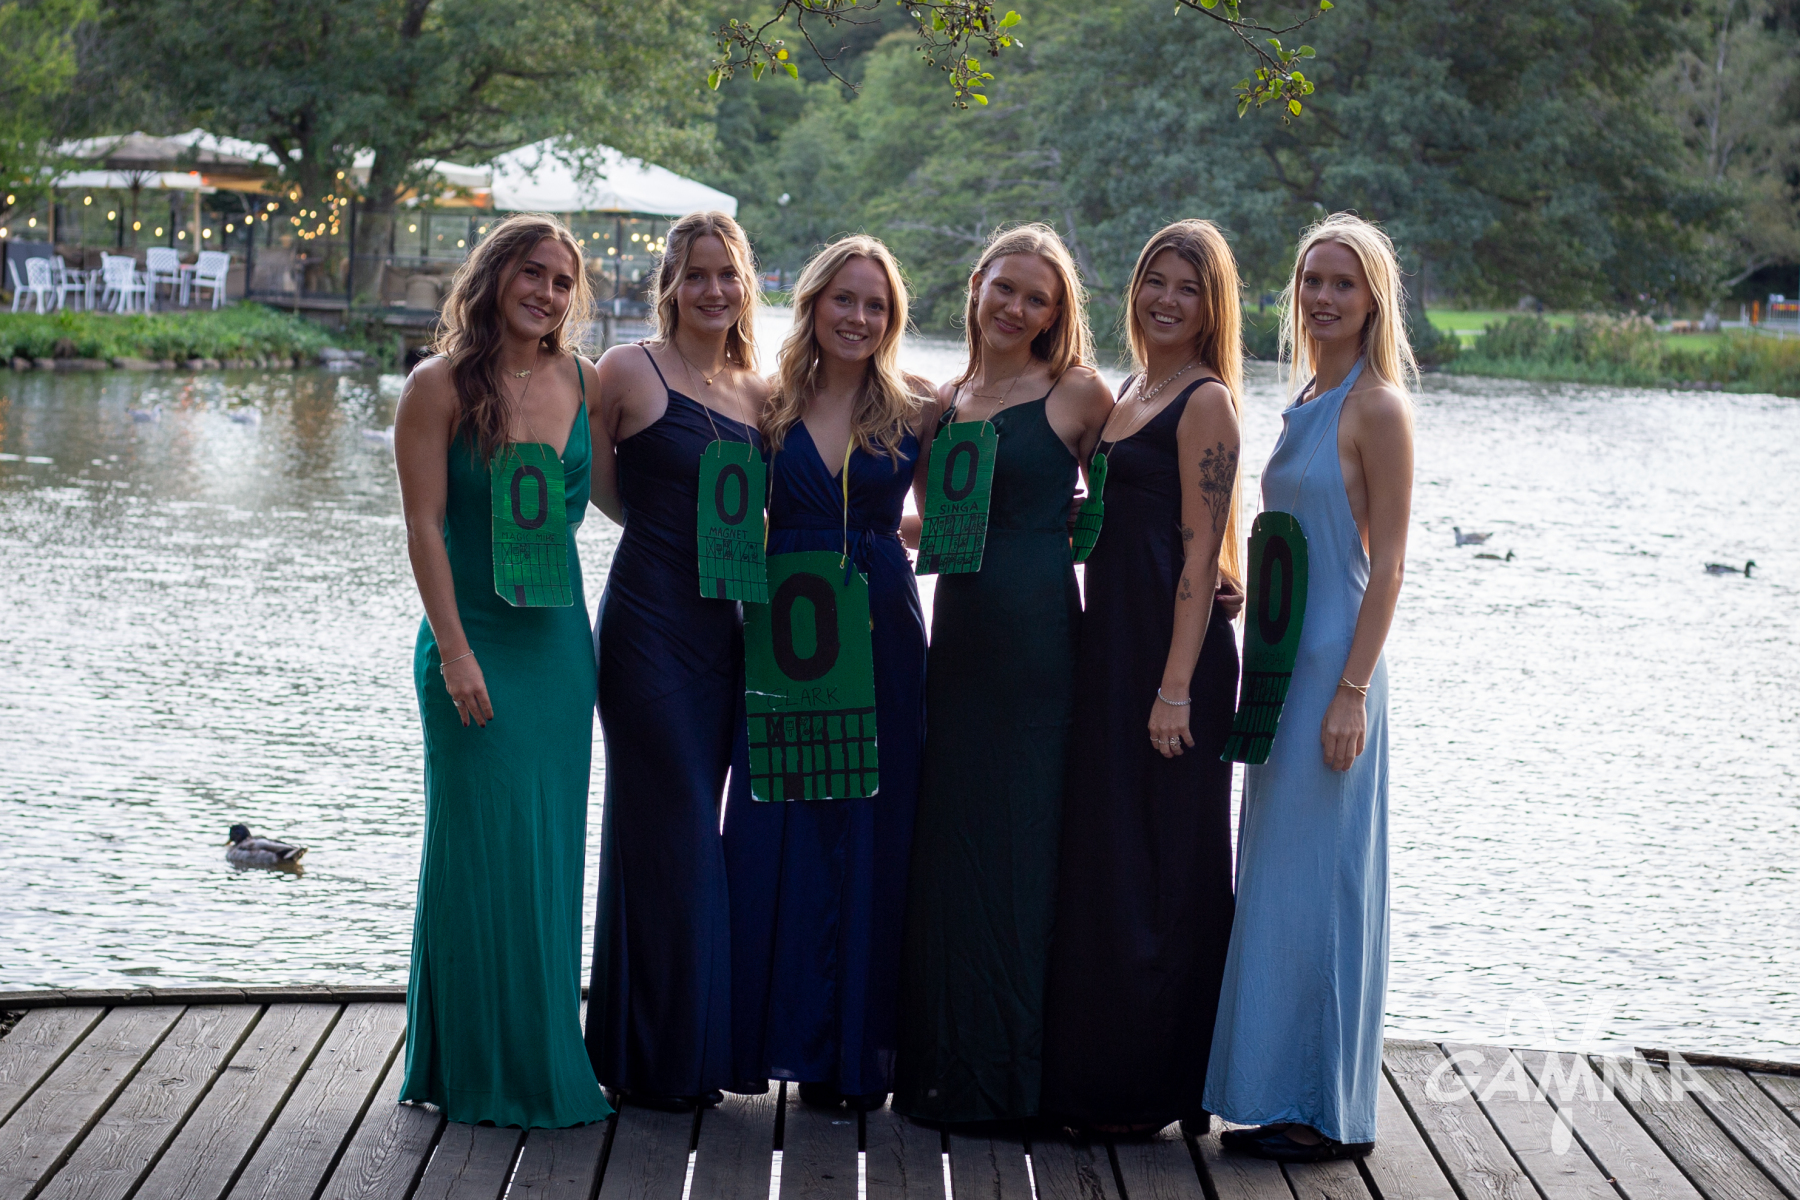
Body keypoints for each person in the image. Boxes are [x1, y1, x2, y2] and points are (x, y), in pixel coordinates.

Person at [1204, 212, 1416, 1161]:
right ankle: (1276, 1091)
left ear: (1373, 299)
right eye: (1312, 281)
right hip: (1281, 664)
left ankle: (1331, 1112)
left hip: (1336, 666)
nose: (1323, 297)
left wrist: (1353, 692)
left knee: (1328, 881)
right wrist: (1238, 590)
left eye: (1342, 283)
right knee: (1281, 880)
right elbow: (1298, 543)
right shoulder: (1306, 397)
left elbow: (1390, 565)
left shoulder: (1377, 407)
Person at [394, 212, 611, 1128]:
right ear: (493, 277)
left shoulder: (586, 382)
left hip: (557, 650)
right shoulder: (436, 385)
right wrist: (454, 653)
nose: (547, 294)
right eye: (532, 274)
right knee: (477, 849)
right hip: (471, 645)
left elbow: (636, 500)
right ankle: (468, 1062)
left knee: (545, 852)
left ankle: (539, 1053)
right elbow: (422, 527)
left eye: (562, 282)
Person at [894, 223, 1113, 1126]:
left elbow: (1137, 499)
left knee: (1024, 849)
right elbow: (938, 525)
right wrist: (855, 534)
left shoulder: (1077, 393)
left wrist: (1218, 572)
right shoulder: (942, 403)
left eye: (1038, 299)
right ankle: (943, 1070)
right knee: (954, 848)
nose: (1017, 308)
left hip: (1036, 646)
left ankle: (1017, 1076)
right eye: (1006, 288)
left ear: (1056, 314)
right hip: (959, 646)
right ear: (977, 284)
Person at [1040, 220, 1245, 1135]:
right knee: (1112, 862)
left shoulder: (1205, 401)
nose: (1167, 298)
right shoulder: (1129, 390)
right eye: (1156, 280)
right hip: (1114, 649)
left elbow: (1202, 555)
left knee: (1167, 870)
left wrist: (1175, 687)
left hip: (1172, 664)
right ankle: (1099, 1074)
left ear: (1212, 306)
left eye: (1187, 288)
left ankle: (1154, 1090)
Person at [723, 235, 934, 1111]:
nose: (858, 316)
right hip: (789, 629)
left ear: (893, 318)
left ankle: (851, 1061)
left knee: (871, 828)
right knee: (781, 824)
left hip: (881, 628)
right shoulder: (765, 404)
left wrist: (1071, 524)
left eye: (875, 305)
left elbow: (950, 518)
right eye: (844, 299)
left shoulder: (921, 406)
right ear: (812, 304)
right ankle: (771, 1040)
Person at [585, 211, 771, 1109]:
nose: (712, 290)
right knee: (675, 830)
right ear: (670, 284)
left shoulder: (762, 393)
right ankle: (669, 1058)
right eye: (695, 274)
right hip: (647, 629)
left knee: (687, 826)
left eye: (726, 274)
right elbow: (597, 486)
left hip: (724, 635)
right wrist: (668, 537)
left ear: (746, 285)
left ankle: (646, 1043)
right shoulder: (627, 370)